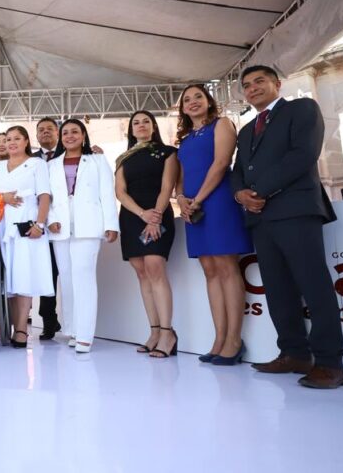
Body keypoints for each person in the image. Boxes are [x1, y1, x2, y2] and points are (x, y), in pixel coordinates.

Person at [232, 65, 343, 389]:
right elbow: (237, 170)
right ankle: (294, 353)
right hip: (260, 218)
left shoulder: (302, 109)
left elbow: (303, 155)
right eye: (247, 85)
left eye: (259, 81)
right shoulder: (246, 130)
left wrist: (258, 192)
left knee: (314, 285)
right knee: (278, 289)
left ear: (277, 84)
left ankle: (330, 363)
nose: (252, 88)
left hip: (296, 211)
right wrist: (239, 194)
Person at [175, 84, 253, 365]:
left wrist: (198, 199)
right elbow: (180, 177)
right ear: (183, 109)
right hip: (193, 208)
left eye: (198, 96)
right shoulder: (184, 140)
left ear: (209, 101)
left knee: (226, 266)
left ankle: (234, 340)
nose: (193, 102)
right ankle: (219, 338)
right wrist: (181, 199)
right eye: (187, 99)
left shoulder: (221, 125)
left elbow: (221, 163)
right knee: (209, 269)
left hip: (218, 201)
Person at [47, 119, 119, 353]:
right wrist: (50, 219)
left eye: (75, 132)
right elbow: (47, 196)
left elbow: (107, 193)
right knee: (67, 279)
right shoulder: (52, 164)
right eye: (65, 133)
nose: (70, 136)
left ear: (84, 135)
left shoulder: (97, 160)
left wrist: (111, 224)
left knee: (84, 277)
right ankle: (74, 330)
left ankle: (86, 335)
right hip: (60, 227)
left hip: (88, 225)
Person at [115, 110, 179, 358]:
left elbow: (167, 187)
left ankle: (167, 333)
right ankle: (154, 332)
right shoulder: (123, 158)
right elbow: (120, 192)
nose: (141, 125)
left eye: (146, 122)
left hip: (157, 214)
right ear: (130, 130)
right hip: (132, 216)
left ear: (154, 126)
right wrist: (141, 214)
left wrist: (155, 216)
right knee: (142, 273)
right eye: (136, 123)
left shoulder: (168, 153)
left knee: (155, 268)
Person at [0, 125, 54, 348]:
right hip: (4, 225)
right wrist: (2, 197)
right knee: (11, 278)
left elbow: (44, 195)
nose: (11, 143)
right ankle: (15, 326)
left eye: (16, 138)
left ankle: (22, 329)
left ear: (26, 141)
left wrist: (40, 224)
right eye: (8, 139)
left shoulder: (37, 164)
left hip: (28, 224)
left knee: (24, 275)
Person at [33, 117, 64, 340]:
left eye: (50, 129)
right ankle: (48, 320)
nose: (45, 132)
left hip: (65, 224)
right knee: (47, 274)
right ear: (36, 135)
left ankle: (74, 321)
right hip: (40, 225)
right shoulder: (30, 160)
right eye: (41, 130)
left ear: (57, 133)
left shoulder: (69, 154)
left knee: (69, 275)